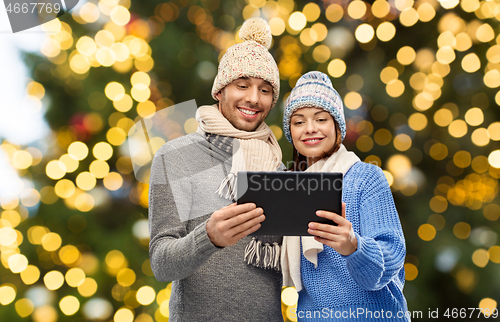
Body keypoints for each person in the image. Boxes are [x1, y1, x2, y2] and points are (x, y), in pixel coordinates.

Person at [148, 18, 285, 321]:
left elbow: (288, 265)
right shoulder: (174, 157)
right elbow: (161, 263)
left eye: (265, 90)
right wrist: (207, 237)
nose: (253, 98)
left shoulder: (277, 166)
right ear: (220, 90)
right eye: (242, 85)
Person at [281, 71, 410, 321]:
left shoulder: (365, 177)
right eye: (298, 122)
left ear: (336, 126)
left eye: (321, 119)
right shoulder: (289, 187)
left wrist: (354, 246)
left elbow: (391, 256)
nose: (310, 129)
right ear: (291, 133)